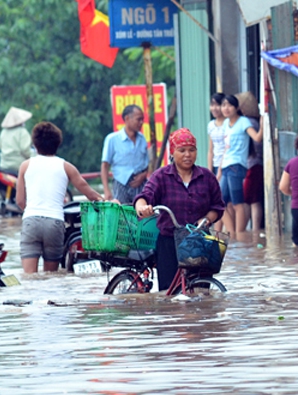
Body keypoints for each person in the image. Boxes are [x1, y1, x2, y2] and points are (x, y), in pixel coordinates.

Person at [134, 128, 225, 292]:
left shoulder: (207, 177)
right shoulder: (161, 176)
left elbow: (217, 207)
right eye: (181, 150)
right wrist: (142, 207)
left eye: (191, 150)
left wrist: (206, 219)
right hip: (169, 242)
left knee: (201, 293)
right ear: (172, 152)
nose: (187, 155)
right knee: (169, 293)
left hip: (199, 241)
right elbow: (145, 196)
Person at [16, 122, 103, 274]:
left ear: (35, 144)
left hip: (31, 220)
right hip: (54, 222)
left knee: (29, 278)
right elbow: (90, 194)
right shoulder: (66, 167)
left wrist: (32, 212)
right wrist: (109, 202)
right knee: (51, 277)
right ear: (58, 143)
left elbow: (19, 201)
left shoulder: (25, 166)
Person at [219, 95, 263, 236]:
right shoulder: (226, 124)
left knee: (238, 203)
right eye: (223, 105)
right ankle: (232, 234)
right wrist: (219, 169)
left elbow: (256, 137)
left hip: (237, 166)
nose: (226, 108)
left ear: (237, 108)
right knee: (220, 203)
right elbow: (226, 148)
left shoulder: (243, 122)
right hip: (226, 166)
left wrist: (263, 123)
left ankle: (240, 235)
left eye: (229, 105)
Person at [101, 104, 149, 204]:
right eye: (138, 119)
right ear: (127, 118)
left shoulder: (142, 139)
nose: (141, 123)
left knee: (141, 213)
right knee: (121, 214)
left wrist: (143, 176)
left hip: (140, 184)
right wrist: (107, 190)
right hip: (120, 183)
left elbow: (147, 164)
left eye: (142, 120)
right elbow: (105, 166)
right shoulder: (112, 139)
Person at [243, 116, 265, 232]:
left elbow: (257, 142)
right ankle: (251, 231)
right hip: (249, 164)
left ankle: (250, 231)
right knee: (251, 199)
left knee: (250, 199)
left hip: (253, 164)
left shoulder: (248, 122)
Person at [0, 107, 33, 174]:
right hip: (19, 166)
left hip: (4, 166)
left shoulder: (4, 132)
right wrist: (34, 157)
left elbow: (0, 145)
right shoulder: (22, 132)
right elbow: (25, 149)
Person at [207, 92, 226, 175]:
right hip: (215, 164)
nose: (214, 108)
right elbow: (211, 150)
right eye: (212, 105)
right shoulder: (211, 125)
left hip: (227, 165)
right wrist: (209, 171)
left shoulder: (228, 124)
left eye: (217, 105)